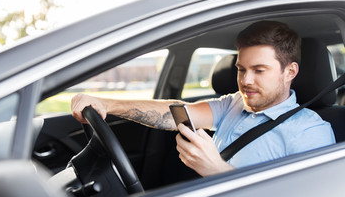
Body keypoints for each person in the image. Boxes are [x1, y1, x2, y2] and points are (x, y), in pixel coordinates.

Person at [71, 21, 336, 177]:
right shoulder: (234, 103)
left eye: (259, 70)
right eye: (241, 69)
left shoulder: (311, 132)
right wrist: (108, 105)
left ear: (290, 72)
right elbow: (176, 113)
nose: (245, 80)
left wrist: (217, 170)